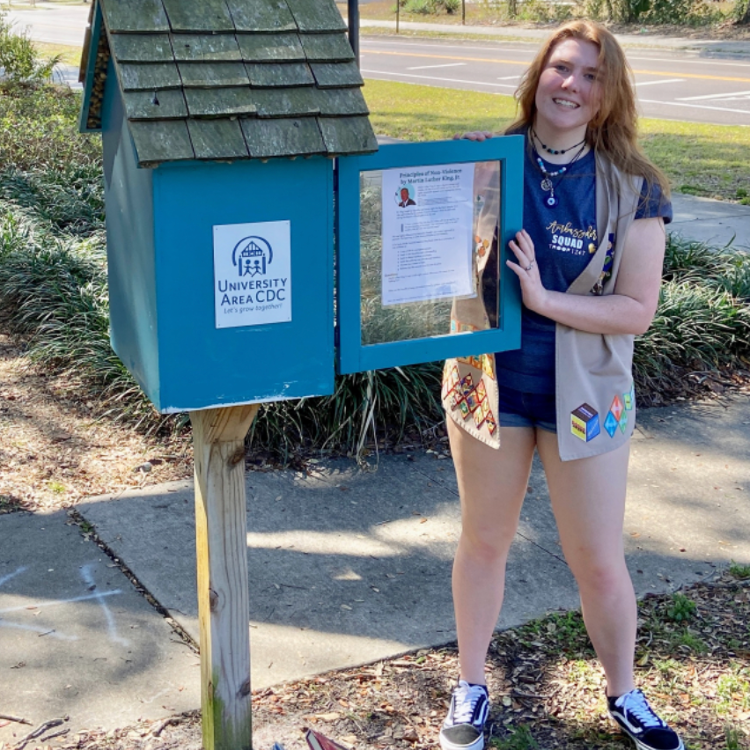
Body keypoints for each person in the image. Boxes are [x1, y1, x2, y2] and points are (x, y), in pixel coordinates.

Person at [439, 20, 682, 750]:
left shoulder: (636, 188)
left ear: (609, 96)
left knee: (598, 558)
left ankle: (624, 692)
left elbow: (635, 310)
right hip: (492, 385)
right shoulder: (491, 163)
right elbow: (428, 256)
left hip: (587, 395)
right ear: (538, 75)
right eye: (561, 67)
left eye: (590, 75)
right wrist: (455, 189)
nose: (571, 84)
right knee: (483, 540)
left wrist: (546, 301)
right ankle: (471, 685)